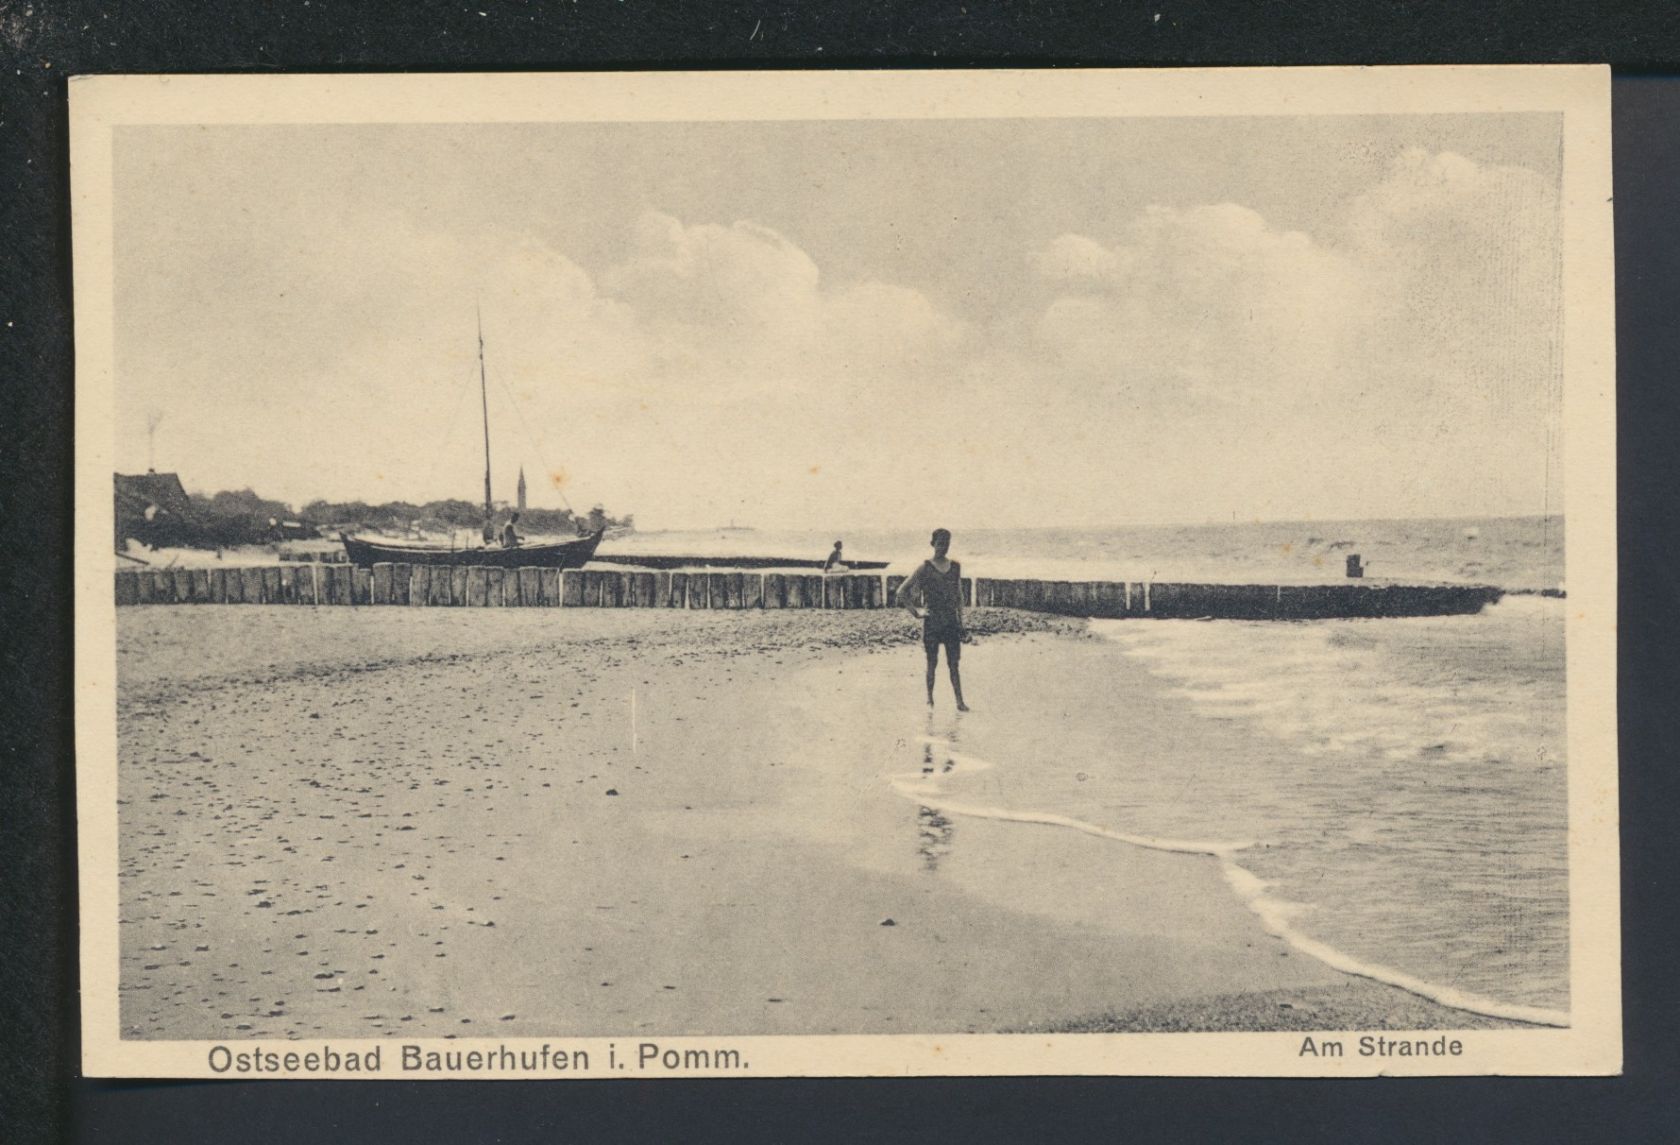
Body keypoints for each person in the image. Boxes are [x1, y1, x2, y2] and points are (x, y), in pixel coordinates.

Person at [896, 528, 968, 710]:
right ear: (933, 544)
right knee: (932, 663)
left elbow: (959, 597)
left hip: (951, 622)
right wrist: (916, 613)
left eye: (946, 543)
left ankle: (959, 702)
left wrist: (961, 623)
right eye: (940, 543)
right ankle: (930, 700)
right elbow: (901, 591)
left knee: (954, 664)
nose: (943, 547)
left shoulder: (955, 567)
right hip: (932, 622)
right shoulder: (925, 567)